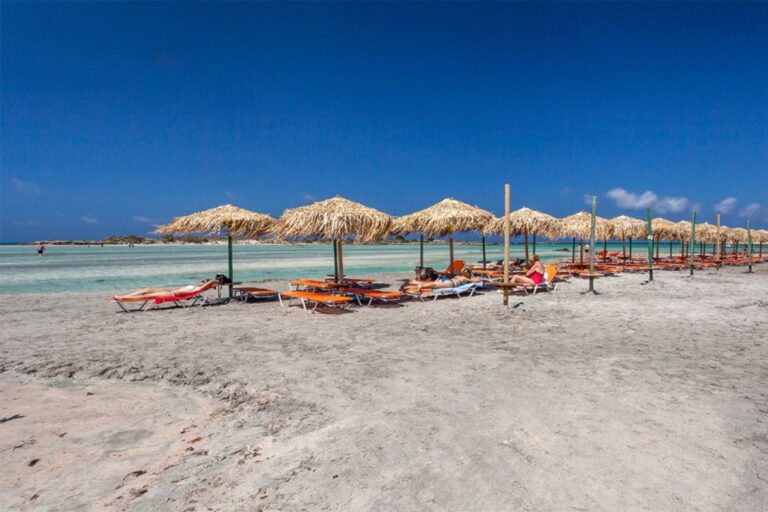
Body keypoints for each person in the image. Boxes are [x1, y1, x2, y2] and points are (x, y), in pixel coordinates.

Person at [112, 280, 217, 301]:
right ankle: (127, 295)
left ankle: (122, 298)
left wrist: (213, 281)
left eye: (203, 281)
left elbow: (208, 285)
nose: (201, 281)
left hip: (171, 295)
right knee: (147, 290)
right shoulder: (196, 287)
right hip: (170, 291)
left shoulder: (199, 289)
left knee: (147, 296)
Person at [402, 270, 483, 291]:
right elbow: (475, 281)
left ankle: (413, 282)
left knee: (433, 283)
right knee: (434, 285)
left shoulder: (459, 276)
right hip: (451, 284)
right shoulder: (466, 278)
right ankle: (420, 285)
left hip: (448, 281)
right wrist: (481, 279)